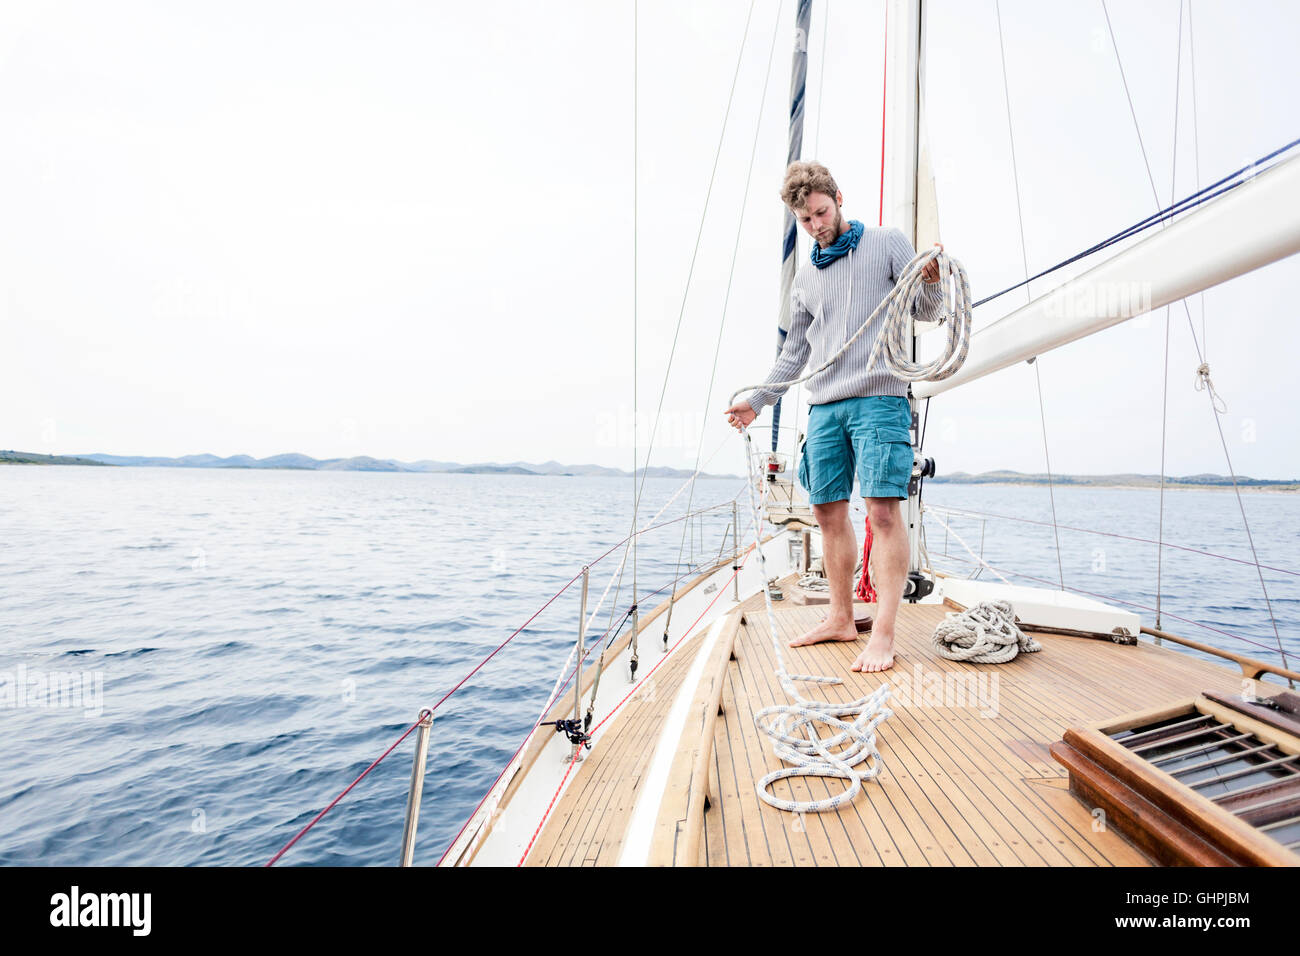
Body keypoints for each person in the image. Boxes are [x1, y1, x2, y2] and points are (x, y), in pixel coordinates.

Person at [723, 160, 943, 673]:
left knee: (884, 512)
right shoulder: (804, 279)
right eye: (806, 221)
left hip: (879, 398)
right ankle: (841, 618)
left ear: (838, 198)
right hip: (823, 406)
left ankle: (884, 633)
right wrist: (757, 401)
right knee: (826, 513)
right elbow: (795, 352)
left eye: (821, 212)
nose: (816, 225)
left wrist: (931, 282)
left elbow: (927, 312)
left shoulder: (888, 243)